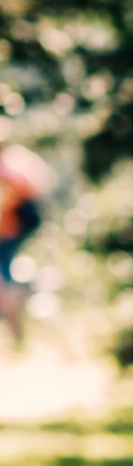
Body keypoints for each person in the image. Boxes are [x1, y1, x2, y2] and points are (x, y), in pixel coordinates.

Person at [0, 144, 48, 356]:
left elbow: (12, 195)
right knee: (5, 271)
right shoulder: (15, 157)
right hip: (22, 221)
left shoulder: (7, 166)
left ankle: (12, 318)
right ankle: (14, 321)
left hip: (16, 223)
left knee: (4, 273)